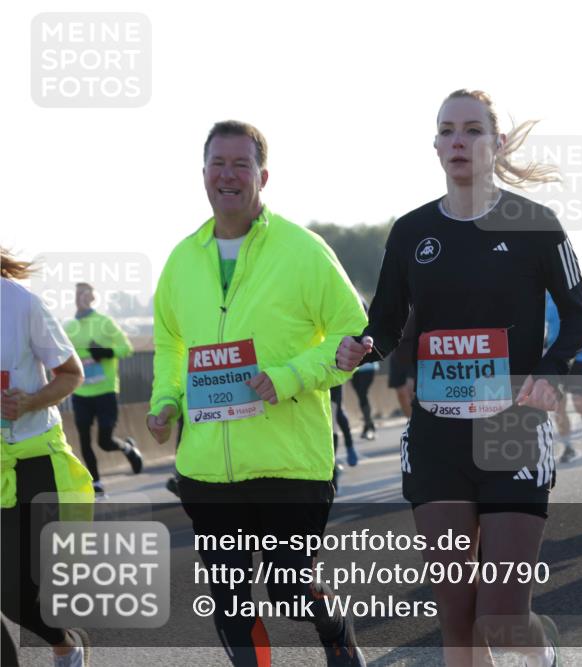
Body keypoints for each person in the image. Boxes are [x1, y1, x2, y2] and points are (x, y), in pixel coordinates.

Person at [336, 89, 582, 667]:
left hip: (512, 433)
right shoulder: (410, 232)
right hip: (437, 439)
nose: (459, 140)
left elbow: (580, 313)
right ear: (435, 145)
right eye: (448, 130)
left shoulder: (535, 224)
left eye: (473, 130)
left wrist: (551, 372)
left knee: (499, 622)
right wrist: (364, 345)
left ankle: (541, 653)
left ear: (496, 143)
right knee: (457, 620)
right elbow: (386, 320)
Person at [146, 121, 369, 666]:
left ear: (262, 176)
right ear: (203, 173)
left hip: (289, 463)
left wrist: (289, 375)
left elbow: (354, 332)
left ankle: (334, 629)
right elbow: (172, 343)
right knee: (229, 601)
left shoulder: (302, 250)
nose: (228, 174)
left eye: (240, 164)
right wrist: (164, 400)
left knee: (291, 593)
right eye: (217, 163)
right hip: (207, 467)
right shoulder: (181, 259)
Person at [2, 250, 95, 667]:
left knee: (15, 591)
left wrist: (29, 402)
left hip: (30, 461)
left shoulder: (21, 305)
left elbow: (71, 373)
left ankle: (65, 644)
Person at [63, 282, 142, 497]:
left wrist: (105, 352)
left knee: (104, 441)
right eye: (78, 293)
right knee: (84, 440)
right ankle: (96, 483)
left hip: (105, 390)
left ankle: (127, 448)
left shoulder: (105, 323)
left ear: (92, 298)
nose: (81, 298)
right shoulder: (68, 327)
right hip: (81, 392)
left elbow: (127, 348)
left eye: (85, 294)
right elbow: (61, 355)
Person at [545, 292, 582, 463]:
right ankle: (568, 447)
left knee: (579, 403)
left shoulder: (580, 292)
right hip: (556, 358)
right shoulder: (544, 297)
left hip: (579, 355)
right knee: (559, 406)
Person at [387, 310, 417, 418]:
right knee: (401, 393)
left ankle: (419, 421)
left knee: (412, 389)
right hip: (397, 355)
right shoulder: (391, 305)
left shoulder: (416, 304)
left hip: (414, 354)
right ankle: (411, 423)